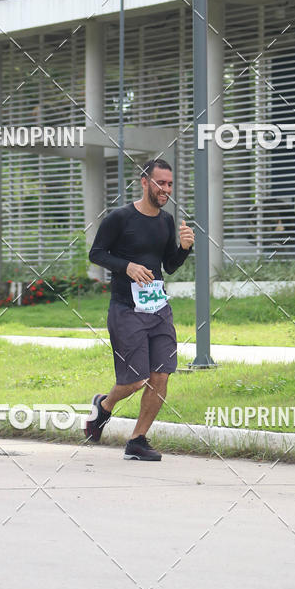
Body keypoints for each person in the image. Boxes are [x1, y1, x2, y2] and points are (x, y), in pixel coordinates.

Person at [86, 158, 194, 461]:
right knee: (135, 380)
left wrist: (185, 248)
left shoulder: (166, 221)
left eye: (170, 184)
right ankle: (104, 405)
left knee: (160, 376)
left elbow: (169, 266)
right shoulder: (120, 218)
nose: (166, 189)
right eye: (161, 183)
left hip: (158, 308)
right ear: (145, 182)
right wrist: (128, 267)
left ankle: (137, 440)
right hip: (126, 308)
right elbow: (96, 253)